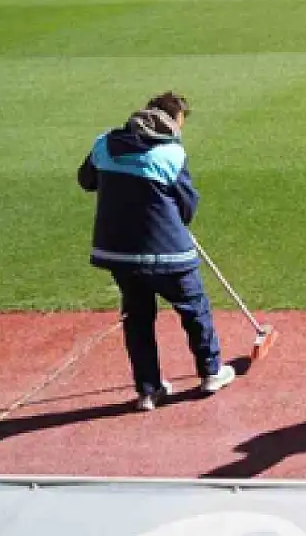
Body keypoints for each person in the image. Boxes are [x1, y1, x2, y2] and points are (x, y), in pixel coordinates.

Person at [78, 92, 235, 412]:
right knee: (194, 309)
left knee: (137, 318)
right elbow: (187, 206)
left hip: (119, 251)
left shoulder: (105, 143)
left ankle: (148, 390)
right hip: (168, 250)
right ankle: (210, 371)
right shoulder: (171, 154)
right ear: (172, 121)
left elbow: (87, 180)